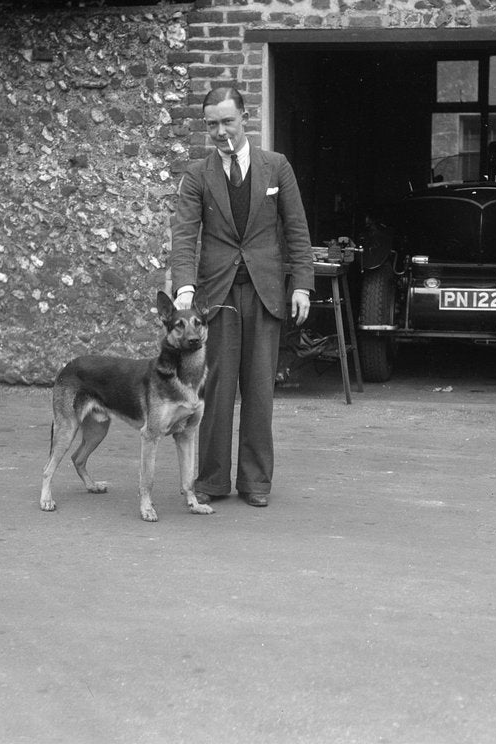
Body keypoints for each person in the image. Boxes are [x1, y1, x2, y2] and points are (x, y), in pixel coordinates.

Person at [170, 86, 314, 508]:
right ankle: (212, 481)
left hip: (265, 293)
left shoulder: (276, 167)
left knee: (259, 392)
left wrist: (301, 284)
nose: (220, 131)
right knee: (214, 391)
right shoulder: (198, 175)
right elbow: (184, 236)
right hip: (215, 299)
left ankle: (256, 484)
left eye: (227, 122)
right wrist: (185, 290)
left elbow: (297, 229)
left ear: (244, 118)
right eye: (211, 124)